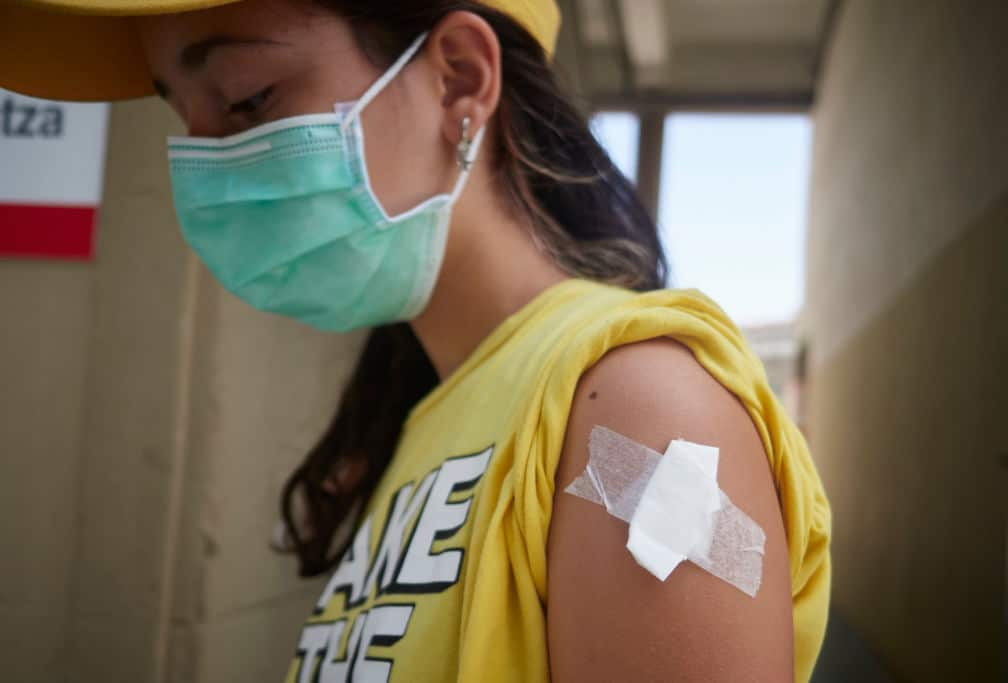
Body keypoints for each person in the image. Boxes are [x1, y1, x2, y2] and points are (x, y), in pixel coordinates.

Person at [0, 1, 831, 681]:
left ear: (460, 79)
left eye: (248, 97)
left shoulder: (640, 414)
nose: (209, 160)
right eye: (181, 115)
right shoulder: (421, 421)